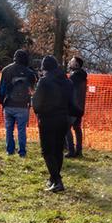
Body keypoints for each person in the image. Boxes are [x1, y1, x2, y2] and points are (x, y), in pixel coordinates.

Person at [31, 55, 76, 193]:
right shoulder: (68, 81)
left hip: (48, 119)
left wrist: (37, 108)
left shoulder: (44, 81)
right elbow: (71, 101)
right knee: (58, 150)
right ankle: (53, 178)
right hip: (63, 119)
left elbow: (37, 103)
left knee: (47, 151)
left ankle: (57, 180)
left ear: (45, 68)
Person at [0, 49, 36, 157]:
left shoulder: (6, 70)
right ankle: (22, 152)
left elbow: (0, 88)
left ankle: (10, 150)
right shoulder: (29, 72)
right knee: (22, 130)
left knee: (9, 129)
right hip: (23, 106)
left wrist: (2, 101)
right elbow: (33, 90)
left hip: (8, 104)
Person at [66, 56, 88, 157]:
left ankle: (71, 150)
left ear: (76, 64)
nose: (69, 62)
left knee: (66, 128)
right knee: (77, 128)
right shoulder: (82, 76)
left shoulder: (74, 76)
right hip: (80, 107)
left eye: (72, 61)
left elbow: (68, 89)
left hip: (73, 107)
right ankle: (79, 150)